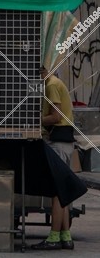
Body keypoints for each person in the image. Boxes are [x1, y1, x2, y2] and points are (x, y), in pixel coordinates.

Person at [41, 63, 76, 250]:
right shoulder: (56, 83)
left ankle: (54, 238)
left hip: (59, 141)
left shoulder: (51, 85)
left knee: (57, 192)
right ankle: (65, 236)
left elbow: (55, 116)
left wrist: (33, 120)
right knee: (63, 192)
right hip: (66, 141)